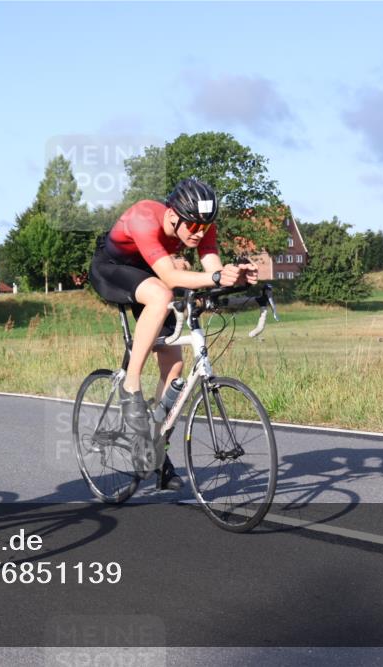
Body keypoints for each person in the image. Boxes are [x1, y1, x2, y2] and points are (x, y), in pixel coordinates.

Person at [88, 178, 258, 490]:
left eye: (203, 227)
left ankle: (154, 448)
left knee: (175, 368)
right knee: (160, 293)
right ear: (172, 216)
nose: (198, 233)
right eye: (191, 226)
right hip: (112, 268)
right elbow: (168, 275)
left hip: (151, 275)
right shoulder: (144, 217)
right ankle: (130, 384)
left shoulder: (203, 227)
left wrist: (237, 278)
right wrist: (216, 276)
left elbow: (213, 271)